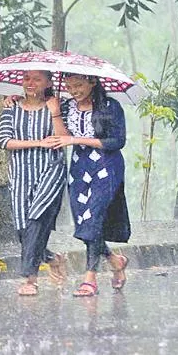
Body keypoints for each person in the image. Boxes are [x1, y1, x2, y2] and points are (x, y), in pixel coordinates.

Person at [50, 73, 131, 297]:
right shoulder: (66, 106)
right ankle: (115, 260)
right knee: (84, 222)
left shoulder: (110, 106)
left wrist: (75, 140)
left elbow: (117, 141)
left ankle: (90, 279)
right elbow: (39, 102)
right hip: (79, 168)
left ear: (92, 82)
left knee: (94, 218)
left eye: (79, 85)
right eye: (70, 86)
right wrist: (13, 99)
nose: (74, 90)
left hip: (107, 167)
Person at [0, 70, 69, 296]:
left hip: (50, 170)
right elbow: (4, 141)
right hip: (19, 173)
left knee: (36, 218)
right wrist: (39, 143)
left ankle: (30, 278)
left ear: (48, 82)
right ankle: (51, 258)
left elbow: (63, 139)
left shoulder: (60, 105)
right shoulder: (11, 106)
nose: (30, 83)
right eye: (26, 78)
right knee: (22, 228)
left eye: (37, 79)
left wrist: (56, 112)